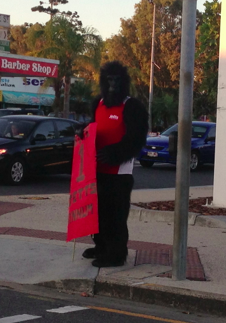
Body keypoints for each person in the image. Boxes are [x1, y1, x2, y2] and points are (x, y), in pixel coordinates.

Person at [79, 61, 149, 268]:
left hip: (119, 173)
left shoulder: (132, 106)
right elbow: (94, 127)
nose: (113, 85)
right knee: (97, 213)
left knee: (115, 215)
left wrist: (115, 153)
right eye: (109, 80)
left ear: (124, 82)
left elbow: (136, 140)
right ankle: (101, 246)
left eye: (117, 81)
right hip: (97, 170)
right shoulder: (97, 104)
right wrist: (81, 132)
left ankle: (116, 254)